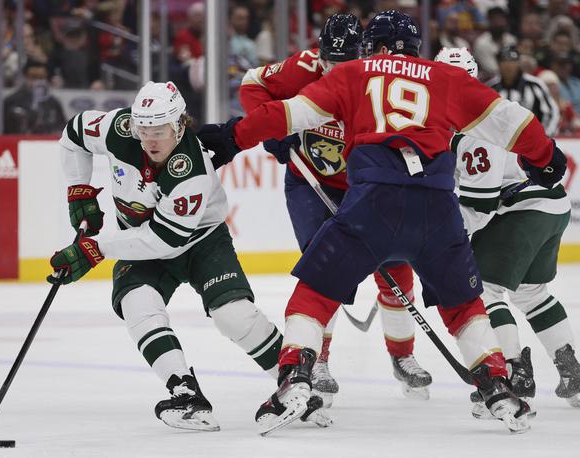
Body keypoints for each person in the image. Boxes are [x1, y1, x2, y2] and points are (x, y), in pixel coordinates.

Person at [198, 10, 566, 435]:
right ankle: (498, 387)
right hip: (437, 208)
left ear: (374, 47)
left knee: (315, 292)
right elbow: (511, 120)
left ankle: (295, 378)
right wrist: (545, 158)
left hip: (372, 203)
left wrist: (232, 136)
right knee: (464, 304)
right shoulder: (441, 77)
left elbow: (286, 115)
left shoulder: (352, 73)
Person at [46, 81, 329, 432]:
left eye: (160, 130)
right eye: (143, 129)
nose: (149, 140)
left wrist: (97, 248)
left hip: (201, 242)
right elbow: (73, 134)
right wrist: (79, 190)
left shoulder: (190, 169)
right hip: (145, 242)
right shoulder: (119, 129)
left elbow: (163, 240)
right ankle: (184, 391)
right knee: (137, 303)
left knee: (233, 316)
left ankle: (294, 385)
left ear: (180, 125)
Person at [238, 13, 432, 405]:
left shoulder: (377, 78)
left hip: (366, 184)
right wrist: (272, 128)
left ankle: (402, 355)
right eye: (329, 61)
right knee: (322, 267)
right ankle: (320, 360)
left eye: (344, 65)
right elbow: (252, 84)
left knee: (396, 264)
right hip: (310, 181)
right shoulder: (303, 68)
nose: (333, 72)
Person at [434, 47, 580, 416]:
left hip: (523, 208)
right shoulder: (489, 107)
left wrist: (443, 238)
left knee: (484, 289)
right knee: (532, 292)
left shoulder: (471, 128)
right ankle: (571, 371)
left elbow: (480, 207)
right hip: (552, 204)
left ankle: (513, 374)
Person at [489, 46, 560, 137]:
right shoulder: (491, 88)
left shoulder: (535, 84)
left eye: (512, 61)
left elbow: (551, 112)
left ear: (518, 63)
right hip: (499, 143)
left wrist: (545, 136)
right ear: (498, 64)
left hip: (531, 140)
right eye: (504, 61)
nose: (508, 65)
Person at [3, 60, 66, 134]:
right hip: (18, 142)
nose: (38, 81)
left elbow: (62, 127)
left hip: (47, 143)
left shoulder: (53, 103)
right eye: (34, 77)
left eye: (42, 77)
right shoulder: (12, 101)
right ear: (25, 78)